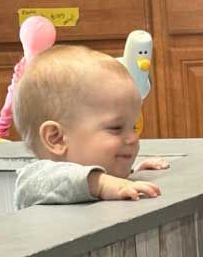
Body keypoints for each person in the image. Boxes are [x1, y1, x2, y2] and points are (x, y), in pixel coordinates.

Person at [13, 45, 168, 209]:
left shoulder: (97, 178)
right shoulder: (35, 180)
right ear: (56, 138)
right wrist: (101, 184)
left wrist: (133, 173)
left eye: (134, 127)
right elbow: (63, 181)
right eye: (116, 128)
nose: (133, 138)